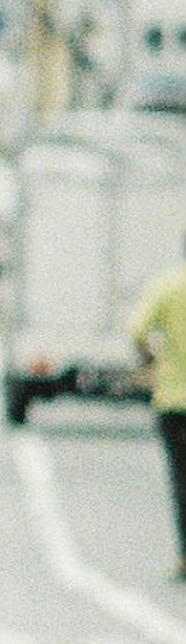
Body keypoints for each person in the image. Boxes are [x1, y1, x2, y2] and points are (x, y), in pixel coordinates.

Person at [128, 241, 186, 578]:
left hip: (173, 401)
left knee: (181, 478)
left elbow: (138, 331)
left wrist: (151, 357)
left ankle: (185, 555)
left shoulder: (167, 287)